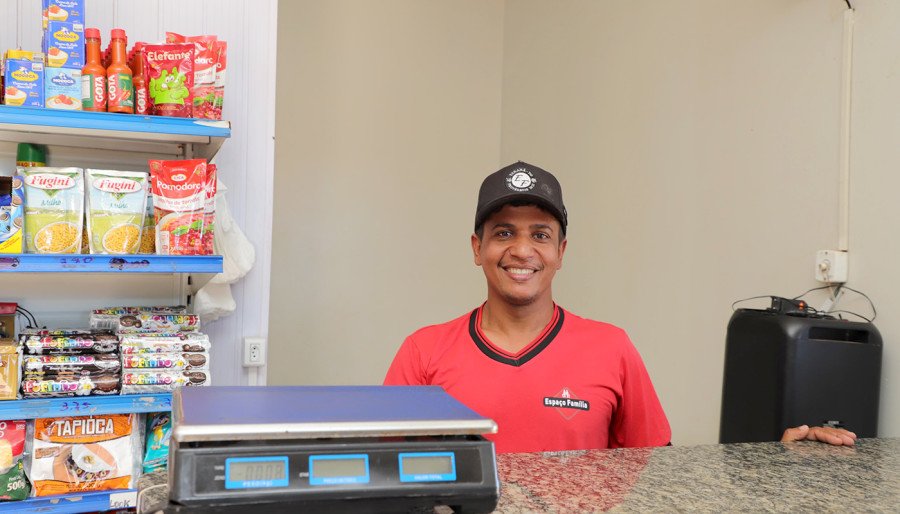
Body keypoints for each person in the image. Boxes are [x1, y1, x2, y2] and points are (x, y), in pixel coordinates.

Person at [384, 161, 856, 453]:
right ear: (476, 247)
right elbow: (385, 477)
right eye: (503, 232)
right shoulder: (423, 352)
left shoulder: (610, 347)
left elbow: (660, 475)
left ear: (561, 251)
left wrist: (773, 462)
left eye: (540, 234)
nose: (522, 249)